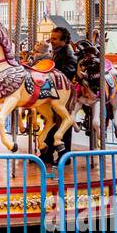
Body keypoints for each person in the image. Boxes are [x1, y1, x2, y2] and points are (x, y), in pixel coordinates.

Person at [40, 27, 78, 165]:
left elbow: (68, 72)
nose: (52, 40)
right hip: (54, 92)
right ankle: (48, 153)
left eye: (55, 38)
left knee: (63, 124)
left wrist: (51, 73)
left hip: (63, 93)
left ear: (64, 41)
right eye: (51, 37)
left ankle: (65, 155)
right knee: (51, 123)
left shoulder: (68, 54)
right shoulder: (57, 52)